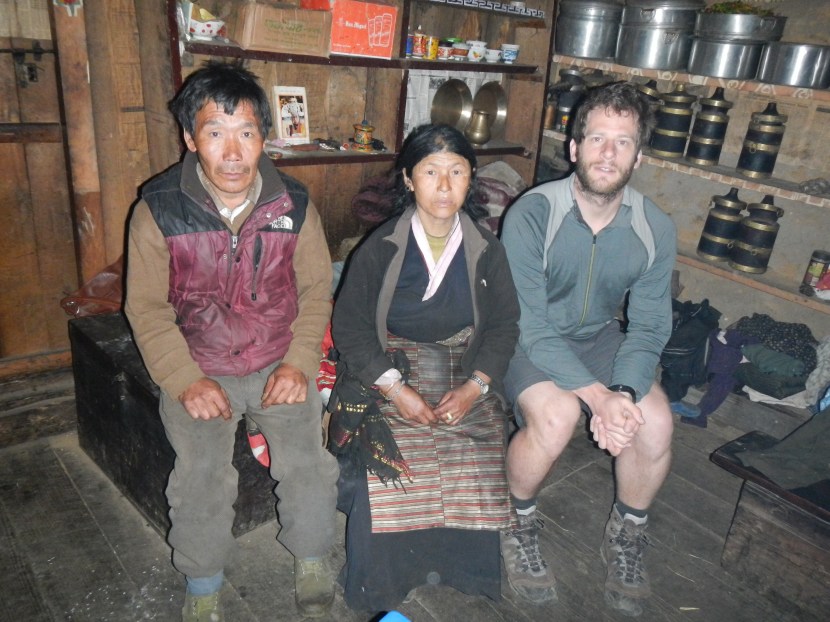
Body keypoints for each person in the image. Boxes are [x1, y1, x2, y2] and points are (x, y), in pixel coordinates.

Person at [124, 61, 339, 621]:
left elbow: (316, 292)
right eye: (215, 133)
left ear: (263, 137)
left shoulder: (293, 205)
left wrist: (298, 364)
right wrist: (184, 379)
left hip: (276, 360)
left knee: (309, 465)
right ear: (191, 139)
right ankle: (203, 582)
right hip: (200, 367)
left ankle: (313, 557)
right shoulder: (158, 210)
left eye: (246, 132)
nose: (234, 151)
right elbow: (145, 308)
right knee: (200, 479)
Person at [499, 81, 676, 617]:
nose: (607, 153)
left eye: (622, 142)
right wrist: (597, 399)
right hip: (528, 337)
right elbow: (529, 324)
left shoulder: (653, 227)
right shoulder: (532, 214)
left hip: (599, 336)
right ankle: (517, 517)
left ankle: (628, 531)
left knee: (656, 421)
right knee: (554, 418)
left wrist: (620, 392)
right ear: (573, 148)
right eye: (596, 138)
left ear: (639, 155)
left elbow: (647, 327)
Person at [329, 123, 520, 612]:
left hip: (463, 361)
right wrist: (395, 389)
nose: (443, 185)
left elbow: (504, 324)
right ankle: (384, 583)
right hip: (389, 362)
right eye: (430, 172)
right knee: (392, 457)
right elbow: (350, 327)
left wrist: (476, 387)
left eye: (456, 172)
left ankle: (462, 571)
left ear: (470, 180)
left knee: (472, 449)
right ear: (409, 180)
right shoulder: (382, 247)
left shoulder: (485, 249)